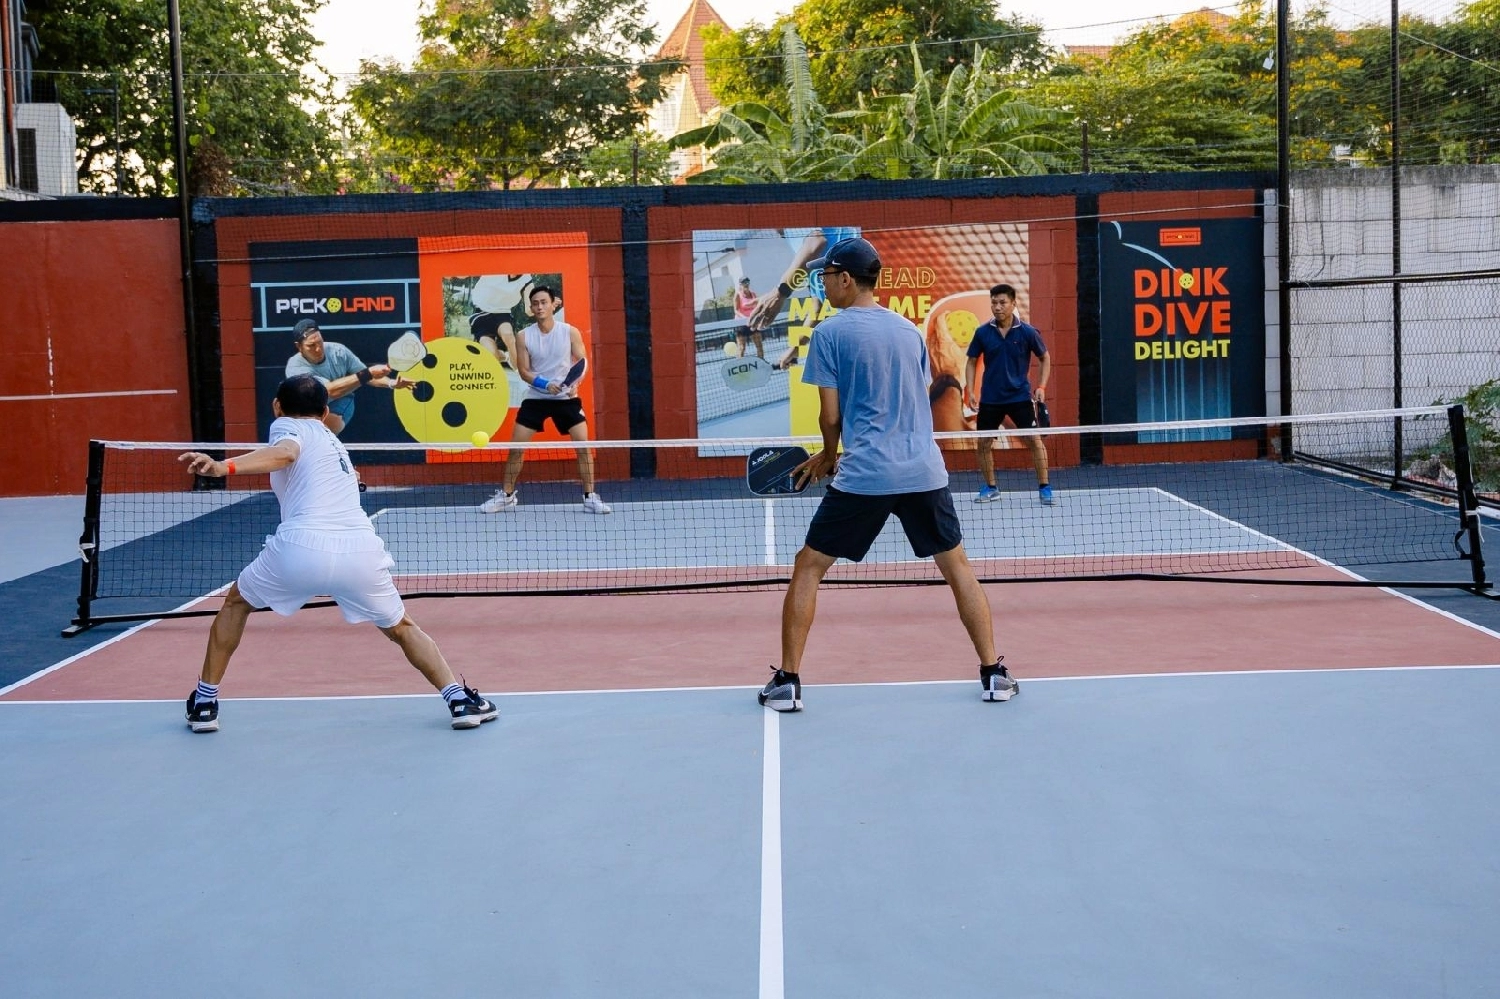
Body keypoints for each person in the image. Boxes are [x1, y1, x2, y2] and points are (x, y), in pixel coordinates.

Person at [757, 237, 1020, 712]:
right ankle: (994, 674)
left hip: (867, 474)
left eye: (827, 275)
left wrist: (830, 455)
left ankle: (789, 682)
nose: (824, 283)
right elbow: (911, 397)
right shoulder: (907, 330)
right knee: (957, 567)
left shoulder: (830, 334)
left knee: (808, 567)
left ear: (844, 279)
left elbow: (830, 417)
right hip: (923, 470)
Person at [177, 375, 498, 733]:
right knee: (402, 628)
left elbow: (286, 452)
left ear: (276, 406)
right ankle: (458, 700)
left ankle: (205, 703)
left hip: (300, 549)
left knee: (237, 603)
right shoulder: (332, 440)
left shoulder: (285, 425)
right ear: (326, 411)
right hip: (360, 553)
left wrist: (224, 467)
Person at [479, 285, 611, 515]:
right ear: (530, 308)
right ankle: (507, 496)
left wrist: (572, 385)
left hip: (566, 398)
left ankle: (590, 497)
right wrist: (544, 384)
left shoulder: (569, 332)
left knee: (583, 447)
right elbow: (524, 371)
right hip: (536, 398)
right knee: (516, 449)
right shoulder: (523, 336)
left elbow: (582, 362)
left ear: (553, 304)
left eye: (543, 302)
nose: (539, 306)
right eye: (535, 304)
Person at [963, 284, 1054, 505]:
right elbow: (972, 361)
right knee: (983, 444)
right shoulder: (983, 332)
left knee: (1034, 441)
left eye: (1002, 302)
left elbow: (1045, 358)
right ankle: (991, 487)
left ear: (1013, 304)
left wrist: (1041, 386)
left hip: (1020, 397)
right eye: (994, 302)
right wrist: (970, 389)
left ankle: (1045, 487)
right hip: (991, 399)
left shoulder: (1027, 332)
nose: (997, 307)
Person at [284, 319, 413, 434]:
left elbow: (369, 377)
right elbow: (327, 391)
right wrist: (368, 373)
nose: (318, 349)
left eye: (320, 342)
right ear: (299, 347)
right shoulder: (295, 367)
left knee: (320, 432)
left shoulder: (338, 351)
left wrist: (391, 383)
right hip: (310, 407)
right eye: (311, 346)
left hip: (341, 400)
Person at [732, 277, 764, 359]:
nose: (746, 284)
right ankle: (739, 365)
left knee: (759, 346)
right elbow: (736, 310)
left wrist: (757, 316)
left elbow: (757, 307)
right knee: (742, 348)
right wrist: (745, 319)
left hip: (753, 323)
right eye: (743, 283)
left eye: (747, 282)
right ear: (740, 285)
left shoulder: (753, 294)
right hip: (741, 324)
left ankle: (762, 362)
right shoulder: (737, 295)